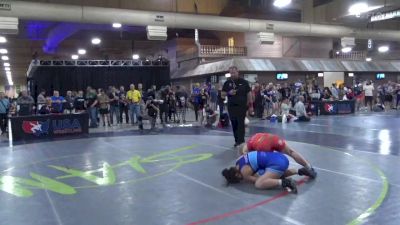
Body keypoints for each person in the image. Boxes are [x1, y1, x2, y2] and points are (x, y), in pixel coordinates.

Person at [222, 151, 310, 193]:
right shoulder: (238, 160)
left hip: (277, 164)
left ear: (237, 175)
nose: (241, 180)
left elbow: (259, 180)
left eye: (239, 179)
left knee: (259, 184)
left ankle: (286, 182)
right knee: (269, 174)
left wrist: (249, 178)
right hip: (280, 157)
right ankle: (298, 170)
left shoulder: (244, 173)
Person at [238, 132, 317, 179]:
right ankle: (309, 167)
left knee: (270, 171)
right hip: (272, 137)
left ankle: (295, 172)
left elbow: (245, 157)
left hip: (262, 146)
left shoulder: (246, 149)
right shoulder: (253, 137)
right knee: (291, 152)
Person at [222, 66, 253, 147]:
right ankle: (236, 140)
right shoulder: (227, 83)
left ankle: (241, 141)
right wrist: (229, 93)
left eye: (234, 72)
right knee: (234, 123)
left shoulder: (244, 82)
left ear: (237, 72)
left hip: (242, 107)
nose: (232, 74)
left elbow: (249, 94)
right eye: (231, 73)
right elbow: (222, 95)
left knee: (241, 124)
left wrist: (250, 106)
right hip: (231, 107)